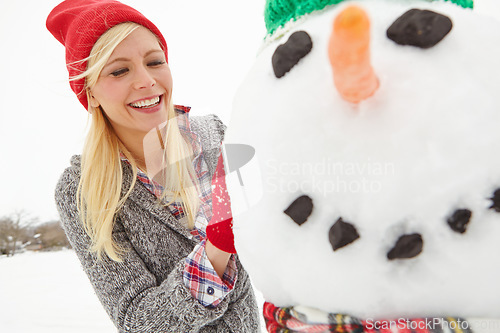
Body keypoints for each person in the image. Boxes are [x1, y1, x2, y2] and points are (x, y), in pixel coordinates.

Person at [46, 0, 259, 332]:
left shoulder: (213, 135)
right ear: (90, 93)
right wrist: (216, 251)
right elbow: (138, 320)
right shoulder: (81, 190)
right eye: (119, 70)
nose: (146, 80)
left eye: (155, 61)